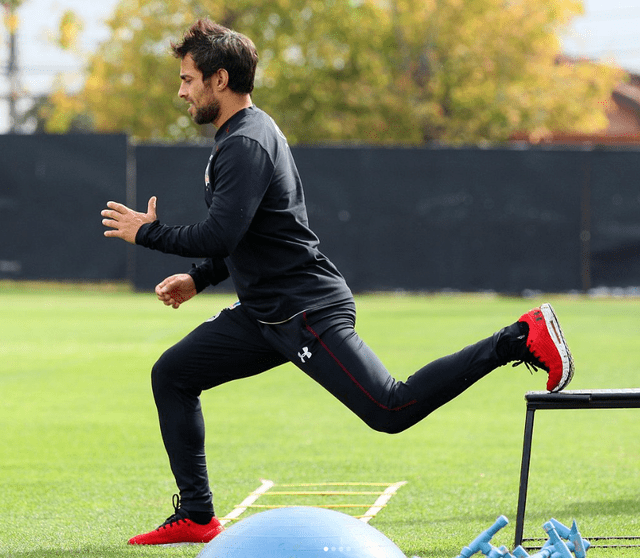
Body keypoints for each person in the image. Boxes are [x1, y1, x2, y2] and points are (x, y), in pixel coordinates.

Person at [101, 19, 575, 546]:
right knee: (173, 374)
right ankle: (196, 514)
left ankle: (518, 337)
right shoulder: (241, 136)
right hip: (264, 314)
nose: (181, 90)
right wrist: (199, 279)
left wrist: (149, 234)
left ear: (219, 79)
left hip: (305, 311)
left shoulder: (247, 144)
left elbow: (221, 231)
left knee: (389, 409)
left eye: (188, 78)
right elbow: (251, 235)